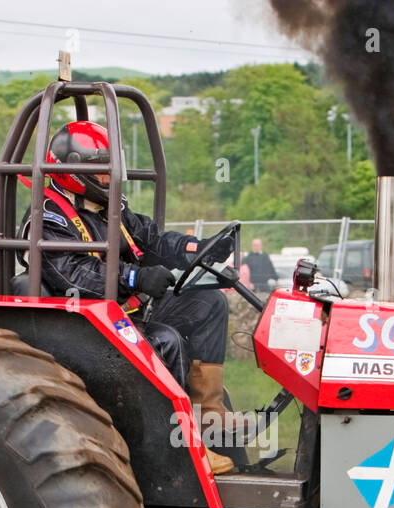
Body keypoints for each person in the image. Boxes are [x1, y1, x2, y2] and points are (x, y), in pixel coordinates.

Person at [22, 120, 236, 474]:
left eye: (112, 169)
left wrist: (199, 246)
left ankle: (210, 416)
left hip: (121, 314)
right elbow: (70, 274)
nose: (111, 178)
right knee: (165, 340)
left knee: (209, 303)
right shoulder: (48, 218)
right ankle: (179, 451)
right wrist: (135, 277)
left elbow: (154, 240)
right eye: (103, 171)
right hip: (80, 327)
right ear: (75, 171)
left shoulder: (109, 208)